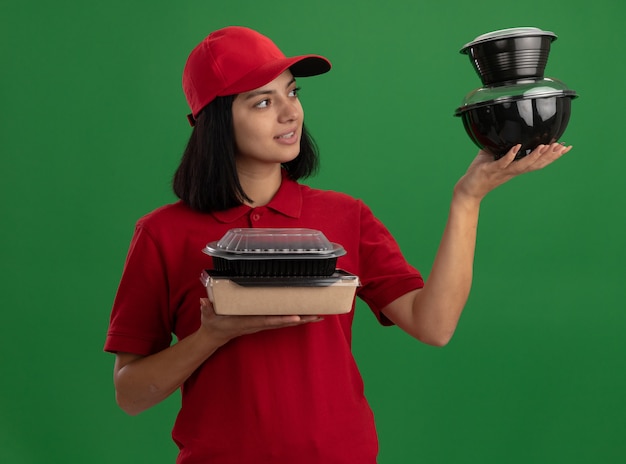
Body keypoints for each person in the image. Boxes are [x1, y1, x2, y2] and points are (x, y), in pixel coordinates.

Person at [104, 26, 572, 463]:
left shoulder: (345, 216)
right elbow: (130, 395)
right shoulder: (162, 233)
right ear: (213, 121)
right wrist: (213, 334)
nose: (290, 113)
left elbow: (434, 325)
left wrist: (468, 199)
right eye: (262, 102)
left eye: (291, 92)